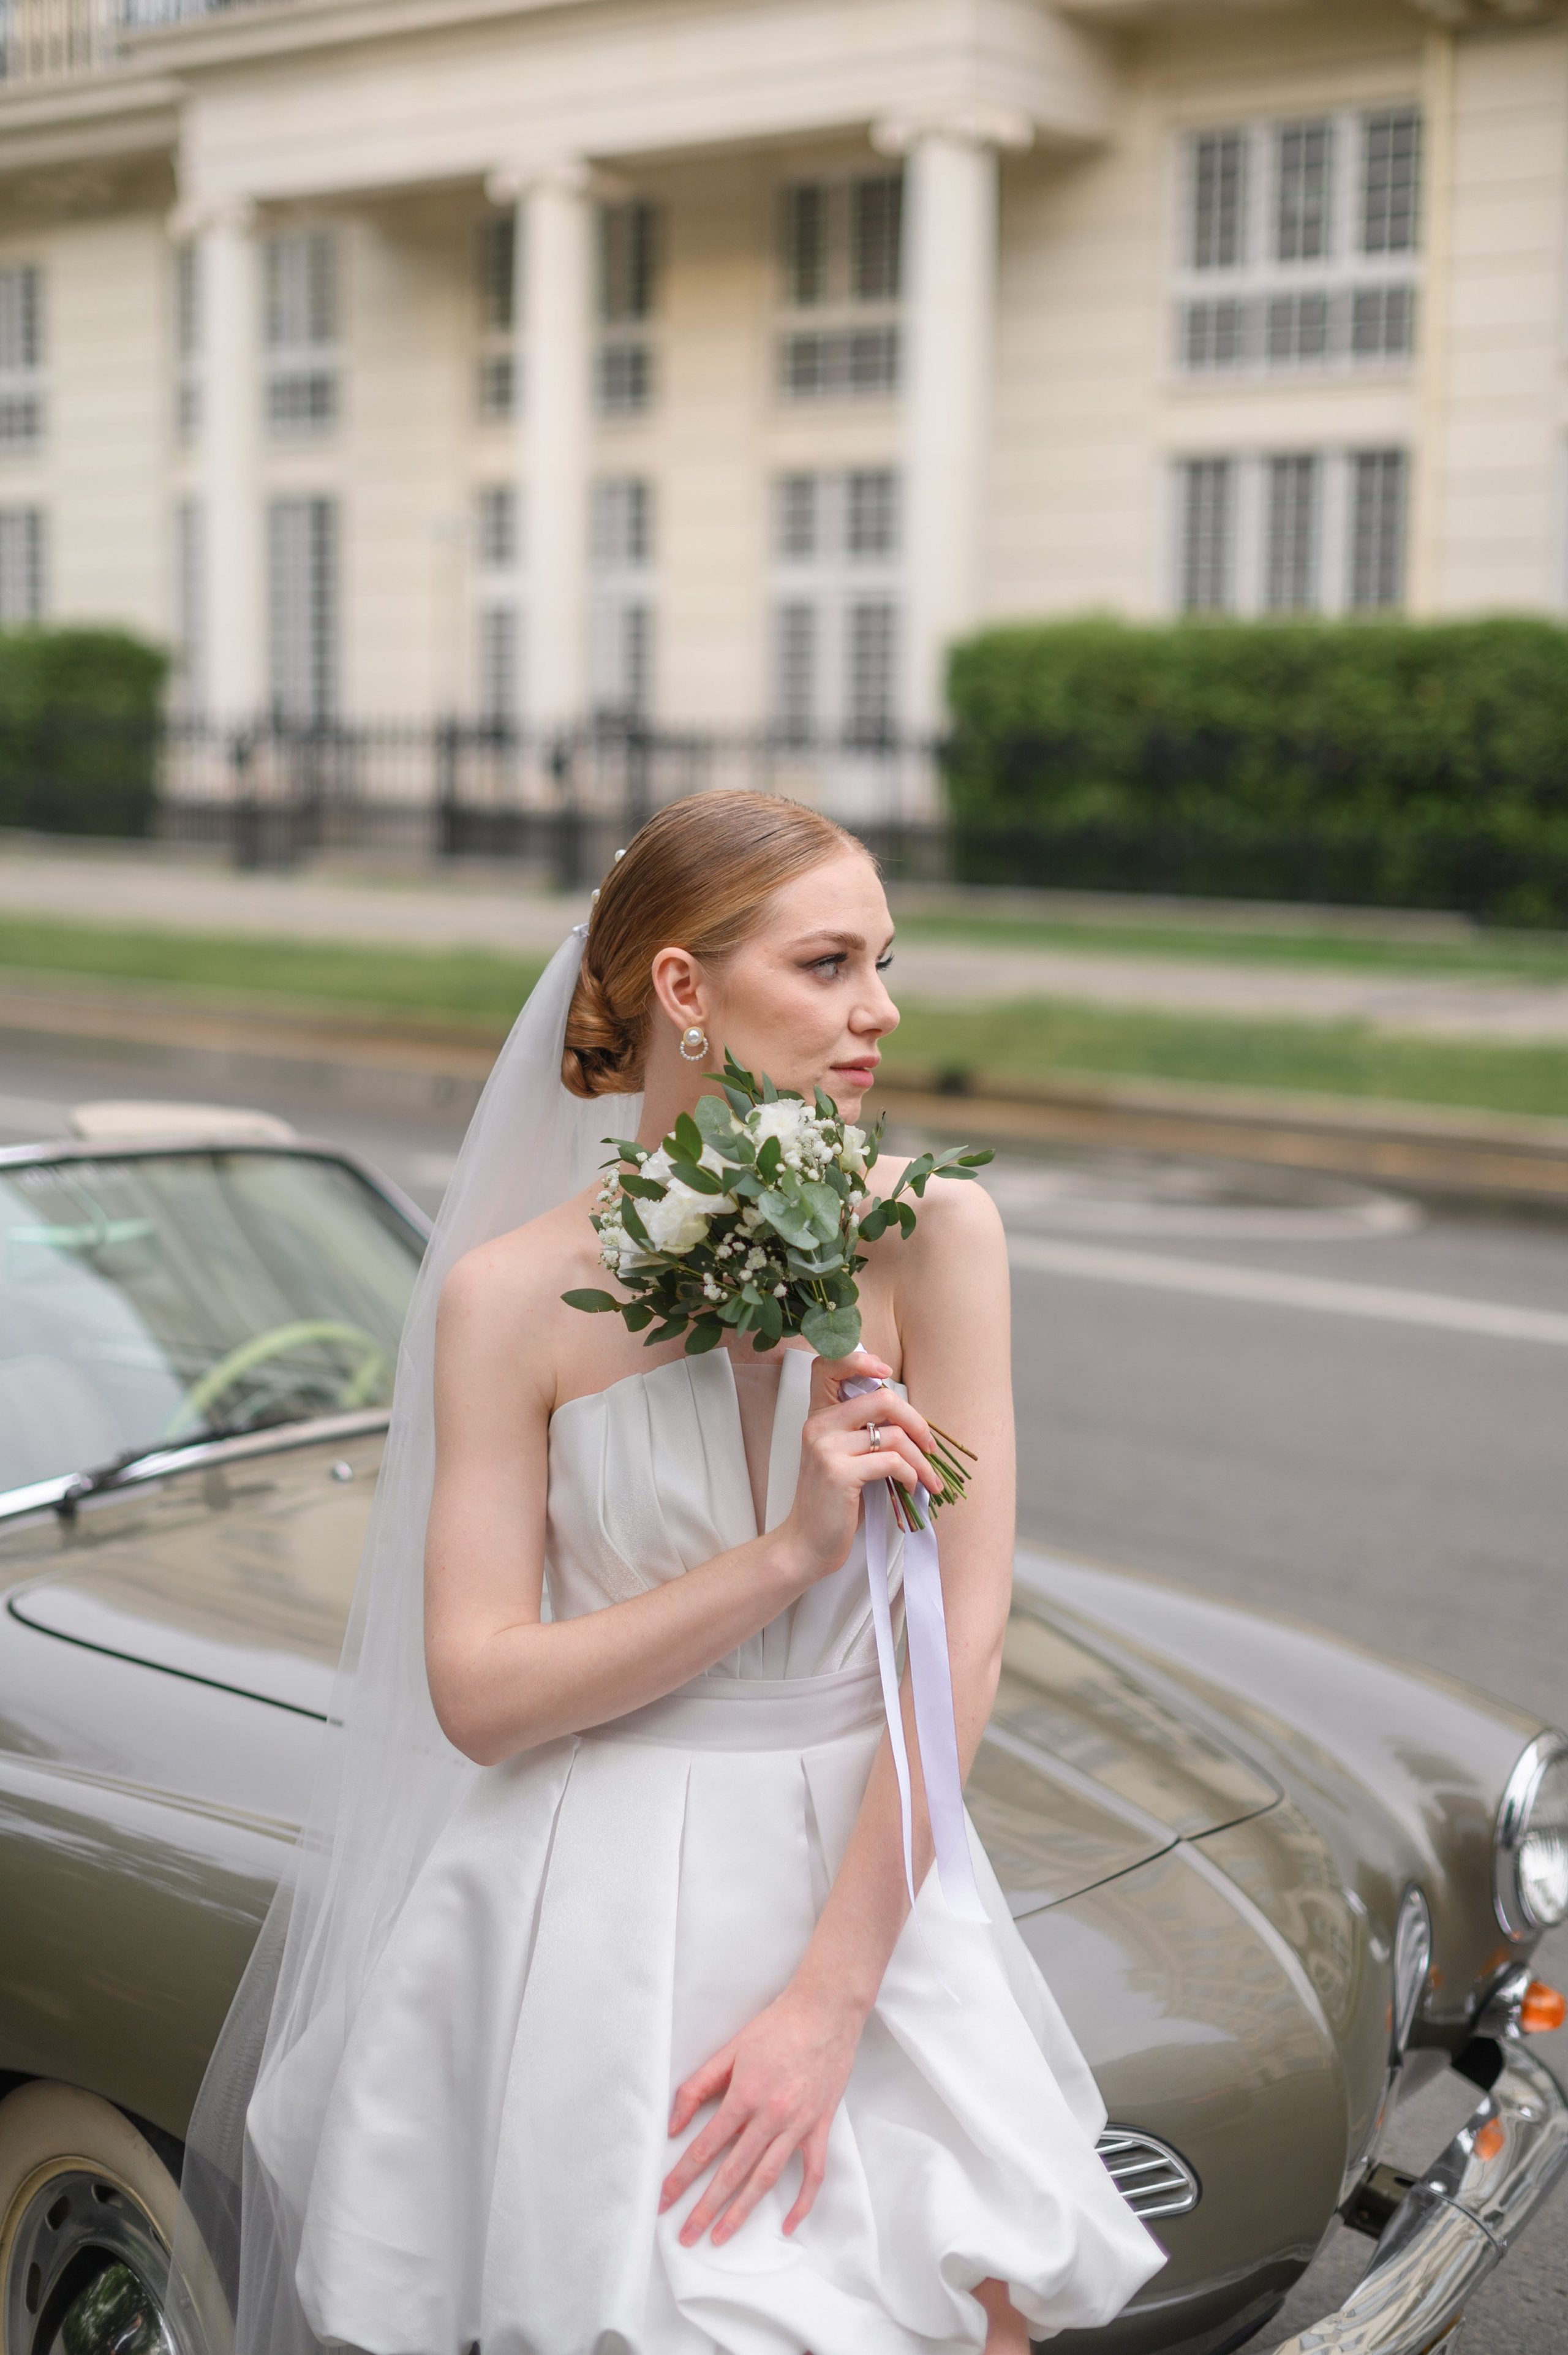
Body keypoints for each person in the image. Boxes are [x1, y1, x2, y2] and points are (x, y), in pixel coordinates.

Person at [185, 792, 1163, 2355]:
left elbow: (960, 1641)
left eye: (883, 962)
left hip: (867, 1875)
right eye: (828, 963)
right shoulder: (509, 1295)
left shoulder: (931, 1231)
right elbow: (481, 1693)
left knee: (974, 2304)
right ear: (685, 990)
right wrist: (787, 1555)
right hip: (594, 1894)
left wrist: (829, 2000)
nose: (878, 1008)